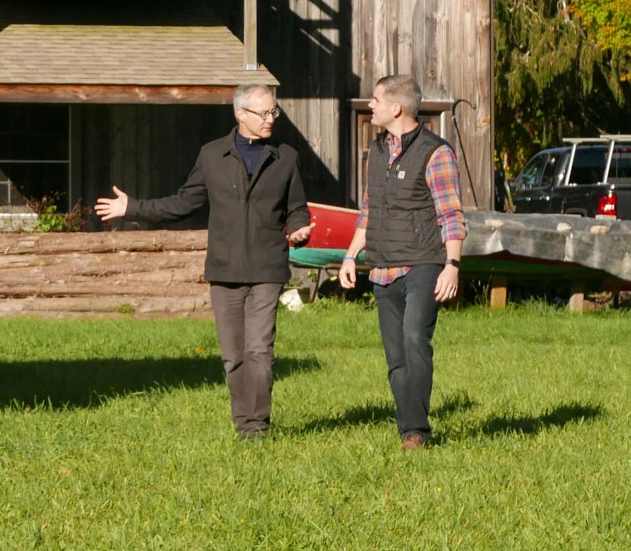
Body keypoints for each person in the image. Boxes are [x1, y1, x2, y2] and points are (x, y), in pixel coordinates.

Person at [95, 82, 312, 440]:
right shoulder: (212, 155)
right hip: (224, 271)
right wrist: (132, 208)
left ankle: (256, 427)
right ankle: (244, 423)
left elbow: (298, 207)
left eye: (274, 112)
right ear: (240, 114)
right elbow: (183, 203)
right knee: (234, 357)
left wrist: (300, 227)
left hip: (267, 269)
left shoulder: (285, 156)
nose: (270, 119)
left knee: (259, 351)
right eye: (263, 113)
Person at [335, 74, 466, 450]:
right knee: (395, 355)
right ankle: (409, 424)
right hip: (382, 268)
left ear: (396, 107)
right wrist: (350, 255)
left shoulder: (435, 152)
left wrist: (452, 265)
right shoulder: (376, 151)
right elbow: (369, 210)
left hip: (424, 264)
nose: (370, 106)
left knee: (414, 340)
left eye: (375, 100)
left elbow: (451, 214)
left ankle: (415, 431)